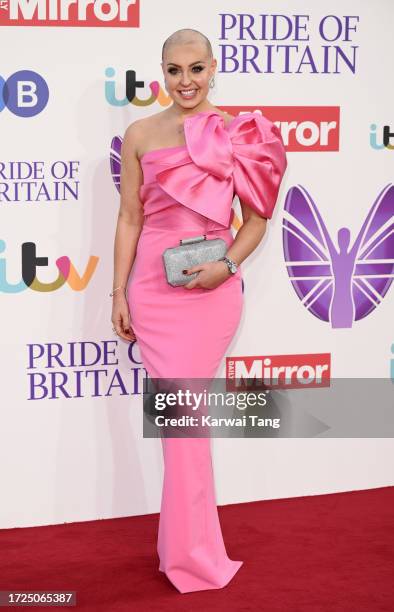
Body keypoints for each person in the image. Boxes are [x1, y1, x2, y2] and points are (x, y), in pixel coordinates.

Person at [111, 28, 287, 594]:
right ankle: (185, 550)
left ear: (214, 67)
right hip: (153, 291)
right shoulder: (139, 133)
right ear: (160, 72)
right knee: (181, 425)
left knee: (184, 423)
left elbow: (257, 221)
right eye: (173, 70)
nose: (185, 81)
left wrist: (227, 267)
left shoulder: (243, 133)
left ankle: (190, 554)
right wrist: (117, 292)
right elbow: (130, 220)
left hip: (211, 290)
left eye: (195, 68)